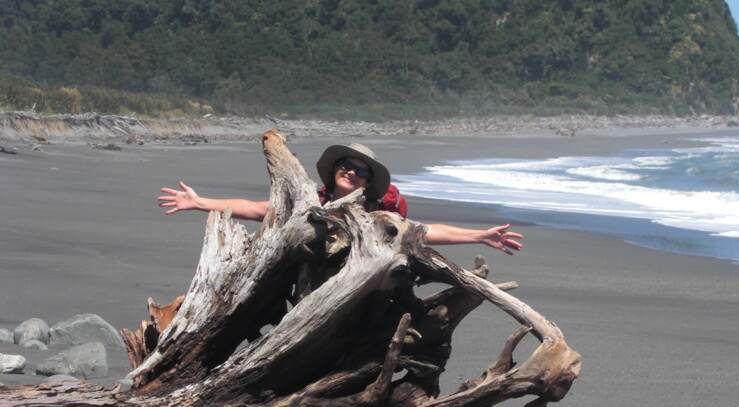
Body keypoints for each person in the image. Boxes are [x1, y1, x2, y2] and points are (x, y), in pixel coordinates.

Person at [159, 143, 524, 255]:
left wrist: (479, 235)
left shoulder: (376, 214)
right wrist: (200, 202)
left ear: (369, 182)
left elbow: (424, 231)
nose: (351, 172)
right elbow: (256, 210)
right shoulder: (312, 204)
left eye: (361, 171)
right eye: (346, 165)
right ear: (334, 169)